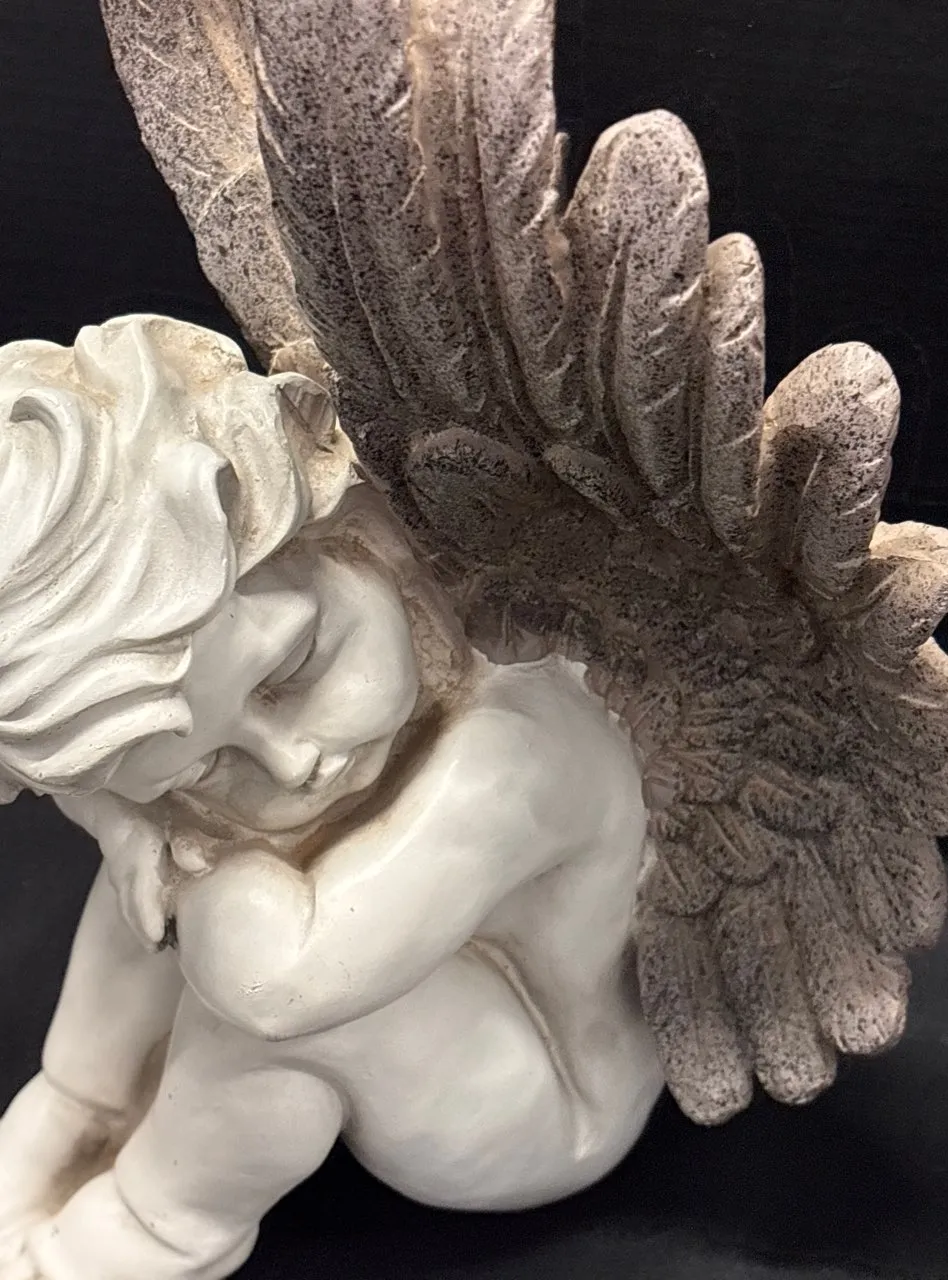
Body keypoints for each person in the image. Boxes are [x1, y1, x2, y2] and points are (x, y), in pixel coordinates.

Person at [0, 316, 662, 1280]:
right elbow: (87, 779)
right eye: (199, 764)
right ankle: (76, 1107)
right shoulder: (256, 702)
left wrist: (165, 834)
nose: (291, 763)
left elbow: (278, 982)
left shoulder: (517, 750)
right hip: (385, 977)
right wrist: (134, 821)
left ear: (352, 528)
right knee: (154, 868)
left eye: (293, 671)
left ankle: (149, 1232)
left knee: (250, 1001)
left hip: (548, 1095)